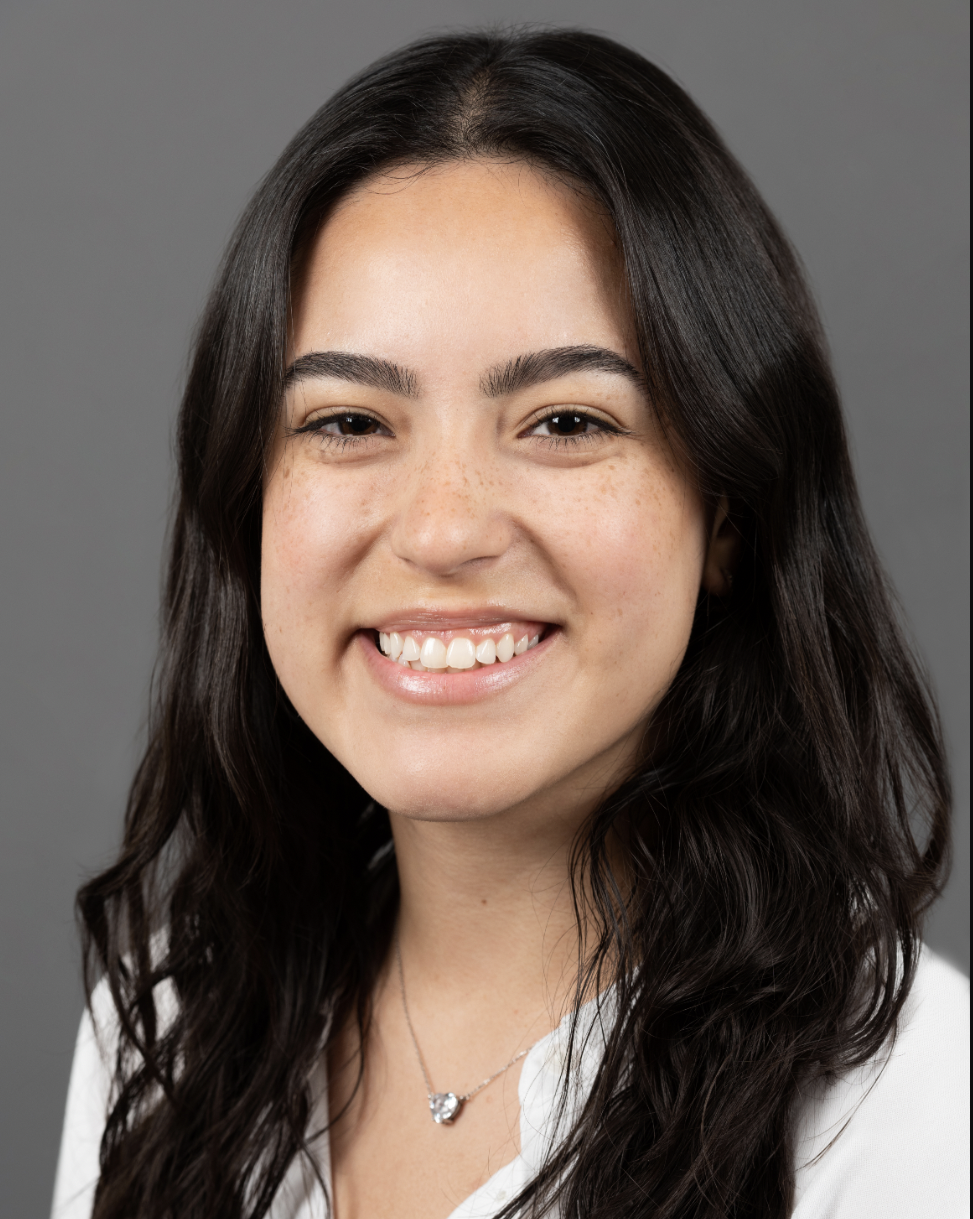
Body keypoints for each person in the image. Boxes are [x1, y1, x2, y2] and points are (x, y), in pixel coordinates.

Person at [51, 27, 968, 1219]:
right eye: (346, 422)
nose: (441, 531)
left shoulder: (909, 1116)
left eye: (565, 422)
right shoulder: (167, 1037)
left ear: (729, 514)